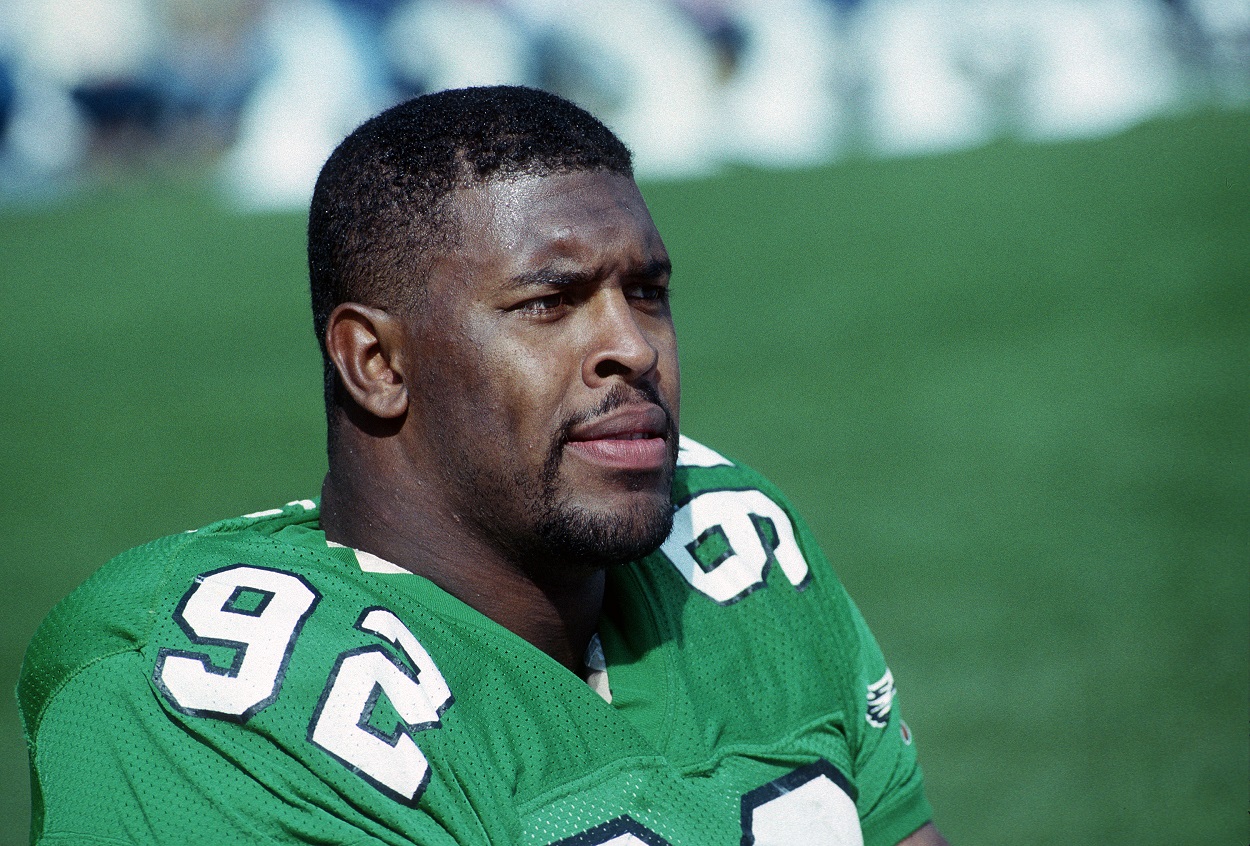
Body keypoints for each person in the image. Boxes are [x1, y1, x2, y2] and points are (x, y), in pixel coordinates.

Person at [18, 85, 948, 845]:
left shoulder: (738, 542)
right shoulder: (221, 696)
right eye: (550, 303)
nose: (632, 347)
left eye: (648, 292)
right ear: (376, 365)